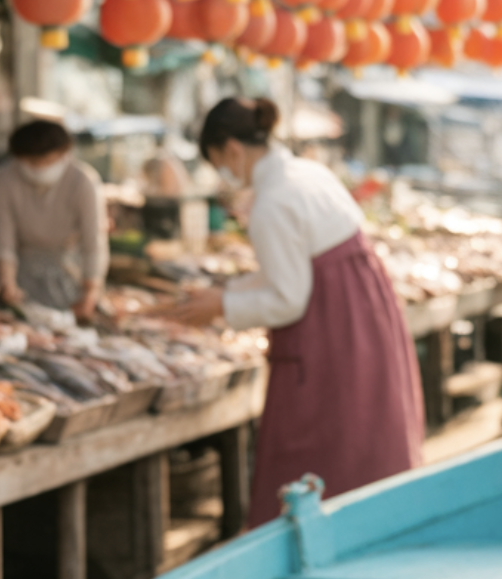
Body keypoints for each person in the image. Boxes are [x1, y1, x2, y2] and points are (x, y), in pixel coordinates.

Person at [166, 97, 424, 527]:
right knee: (366, 432)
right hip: (361, 315)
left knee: (320, 444)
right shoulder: (308, 174)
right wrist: (227, 291)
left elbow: (288, 297)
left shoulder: (271, 203)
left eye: (218, 163)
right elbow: (293, 272)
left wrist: (223, 304)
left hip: (328, 331)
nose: (225, 175)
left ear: (231, 149)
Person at [0, 118, 107, 320]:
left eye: (48, 162)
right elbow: (2, 237)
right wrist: (7, 283)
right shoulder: (4, 180)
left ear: (64, 154)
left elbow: (94, 241)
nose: (40, 168)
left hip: (69, 273)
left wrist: (90, 292)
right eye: (33, 163)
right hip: (21, 271)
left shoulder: (83, 182)